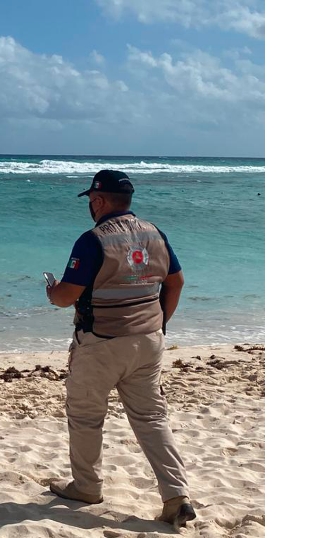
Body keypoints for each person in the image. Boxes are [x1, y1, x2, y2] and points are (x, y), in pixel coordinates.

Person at [45, 170, 196, 528]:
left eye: (91, 201)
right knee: (151, 418)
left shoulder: (93, 240)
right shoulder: (154, 232)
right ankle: (176, 495)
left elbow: (67, 297)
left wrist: (52, 292)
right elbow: (176, 282)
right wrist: (160, 323)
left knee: (85, 415)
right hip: (148, 339)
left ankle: (87, 486)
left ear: (99, 201)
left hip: (102, 341)